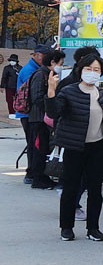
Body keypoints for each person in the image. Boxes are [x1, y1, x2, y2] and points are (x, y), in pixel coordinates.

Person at [45, 53, 103, 242]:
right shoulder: (69, 91)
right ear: (80, 70)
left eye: (96, 70)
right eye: (88, 69)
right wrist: (51, 91)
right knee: (70, 187)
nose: (92, 72)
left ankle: (93, 228)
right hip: (74, 147)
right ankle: (66, 227)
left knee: (95, 190)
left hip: (97, 147)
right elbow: (53, 112)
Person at [27, 49, 66, 190]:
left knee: (43, 148)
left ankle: (41, 177)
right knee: (38, 148)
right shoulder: (40, 75)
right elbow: (36, 97)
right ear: (52, 62)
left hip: (43, 119)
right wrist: (50, 107)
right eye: (61, 63)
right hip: (38, 119)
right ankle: (37, 178)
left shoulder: (48, 74)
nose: (62, 66)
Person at [16, 45, 48, 184]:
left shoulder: (35, 69)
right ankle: (30, 173)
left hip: (30, 113)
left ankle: (32, 172)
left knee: (33, 143)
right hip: (28, 113)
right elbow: (34, 95)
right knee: (33, 144)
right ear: (36, 55)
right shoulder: (31, 71)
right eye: (44, 56)